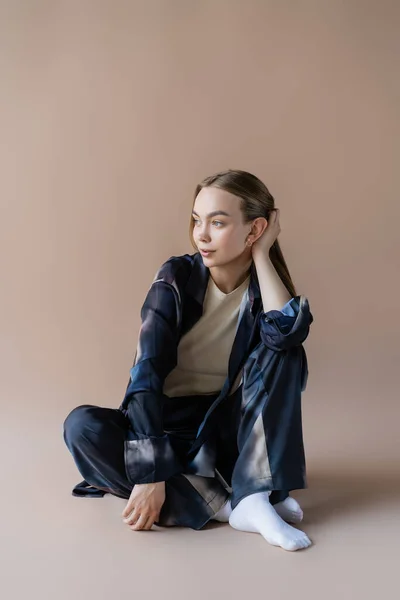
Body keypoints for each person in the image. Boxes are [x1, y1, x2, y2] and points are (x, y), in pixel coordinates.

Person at [63, 169, 314, 552]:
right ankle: (238, 503)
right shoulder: (176, 277)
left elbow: (287, 334)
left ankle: (255, 493)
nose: (202, 234)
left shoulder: (262, 291)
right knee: (82, 427)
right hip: (164, 425)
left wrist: (262, 254)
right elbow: (145, 375)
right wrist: (150, 473)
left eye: (218, 222)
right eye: (197, 220)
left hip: (226, 430)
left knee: (286, 350)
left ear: (255, 229)